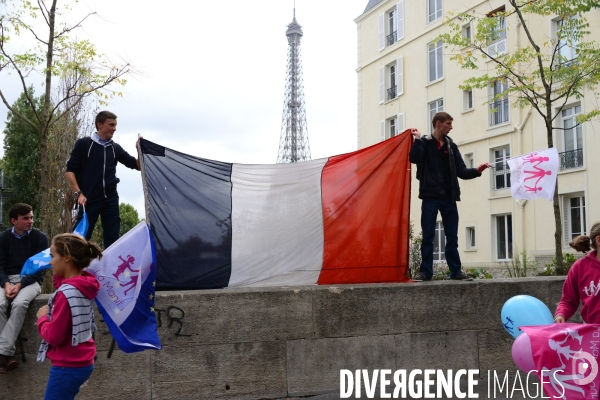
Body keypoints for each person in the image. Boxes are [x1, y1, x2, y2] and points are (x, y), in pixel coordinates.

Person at [409, 112, 491, 281]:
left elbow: (461, 171)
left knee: (452, 237)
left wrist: (477, 170)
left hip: (449, 198)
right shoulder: (424, 143)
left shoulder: (451, 147)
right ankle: (426, 273)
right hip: (430, 197)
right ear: (438, 124)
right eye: (448, 124)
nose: (451, 127)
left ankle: (455, 271)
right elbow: (414, 158)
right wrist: (416, 139)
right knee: (428, 237)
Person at [36, 233, 102, 400]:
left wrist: (42, 318)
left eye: (52, 256)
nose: (50, 262)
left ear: (67, 258)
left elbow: (55, 336)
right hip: (82, 362)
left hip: (67, 366)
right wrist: (62, 271)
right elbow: (61, 283)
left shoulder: (66, 294)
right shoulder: (82, 284)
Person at [65, 111, 141, 249]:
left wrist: (139, 149)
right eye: (111, 125)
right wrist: (78, 193)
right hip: (89, 199)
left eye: (115, 125)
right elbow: (69, 172)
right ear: (99, 125)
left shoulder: (115, 148)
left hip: (110, 200)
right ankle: (73, 269)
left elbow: (137, 166)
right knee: (79, 241)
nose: (114, 128)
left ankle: (110, 269)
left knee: (113, 242)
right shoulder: (84, 144)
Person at [0, 203, 49, 373]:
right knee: (0, 304)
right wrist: (6, 284)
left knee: (20, 304)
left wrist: (20, 285)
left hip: (30, 282)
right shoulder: (3, 238)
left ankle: (3, 353)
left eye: (32, 217)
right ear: (14, 220)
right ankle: (6, 355)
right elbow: (0, 266)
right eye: (26, 218)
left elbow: (39, 270)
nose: (30, 221)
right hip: (6, 281)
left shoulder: (40, 238)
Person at [554, 221, 600, 324]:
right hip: (591, 333)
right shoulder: (579, 267)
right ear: (599, 240)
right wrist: (561, 314)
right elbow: (568, 300)